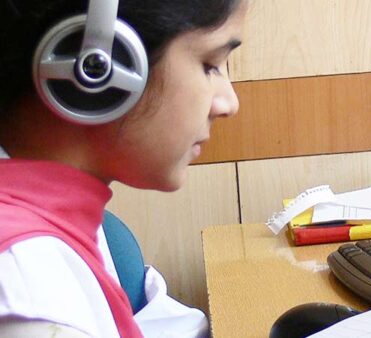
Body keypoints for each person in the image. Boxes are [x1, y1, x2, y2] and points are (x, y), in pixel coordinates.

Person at [0, 0, 247, 337]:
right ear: (96, 68)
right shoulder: (30, 294)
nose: (228, 104)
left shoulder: (58, 213)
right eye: (211, 65)